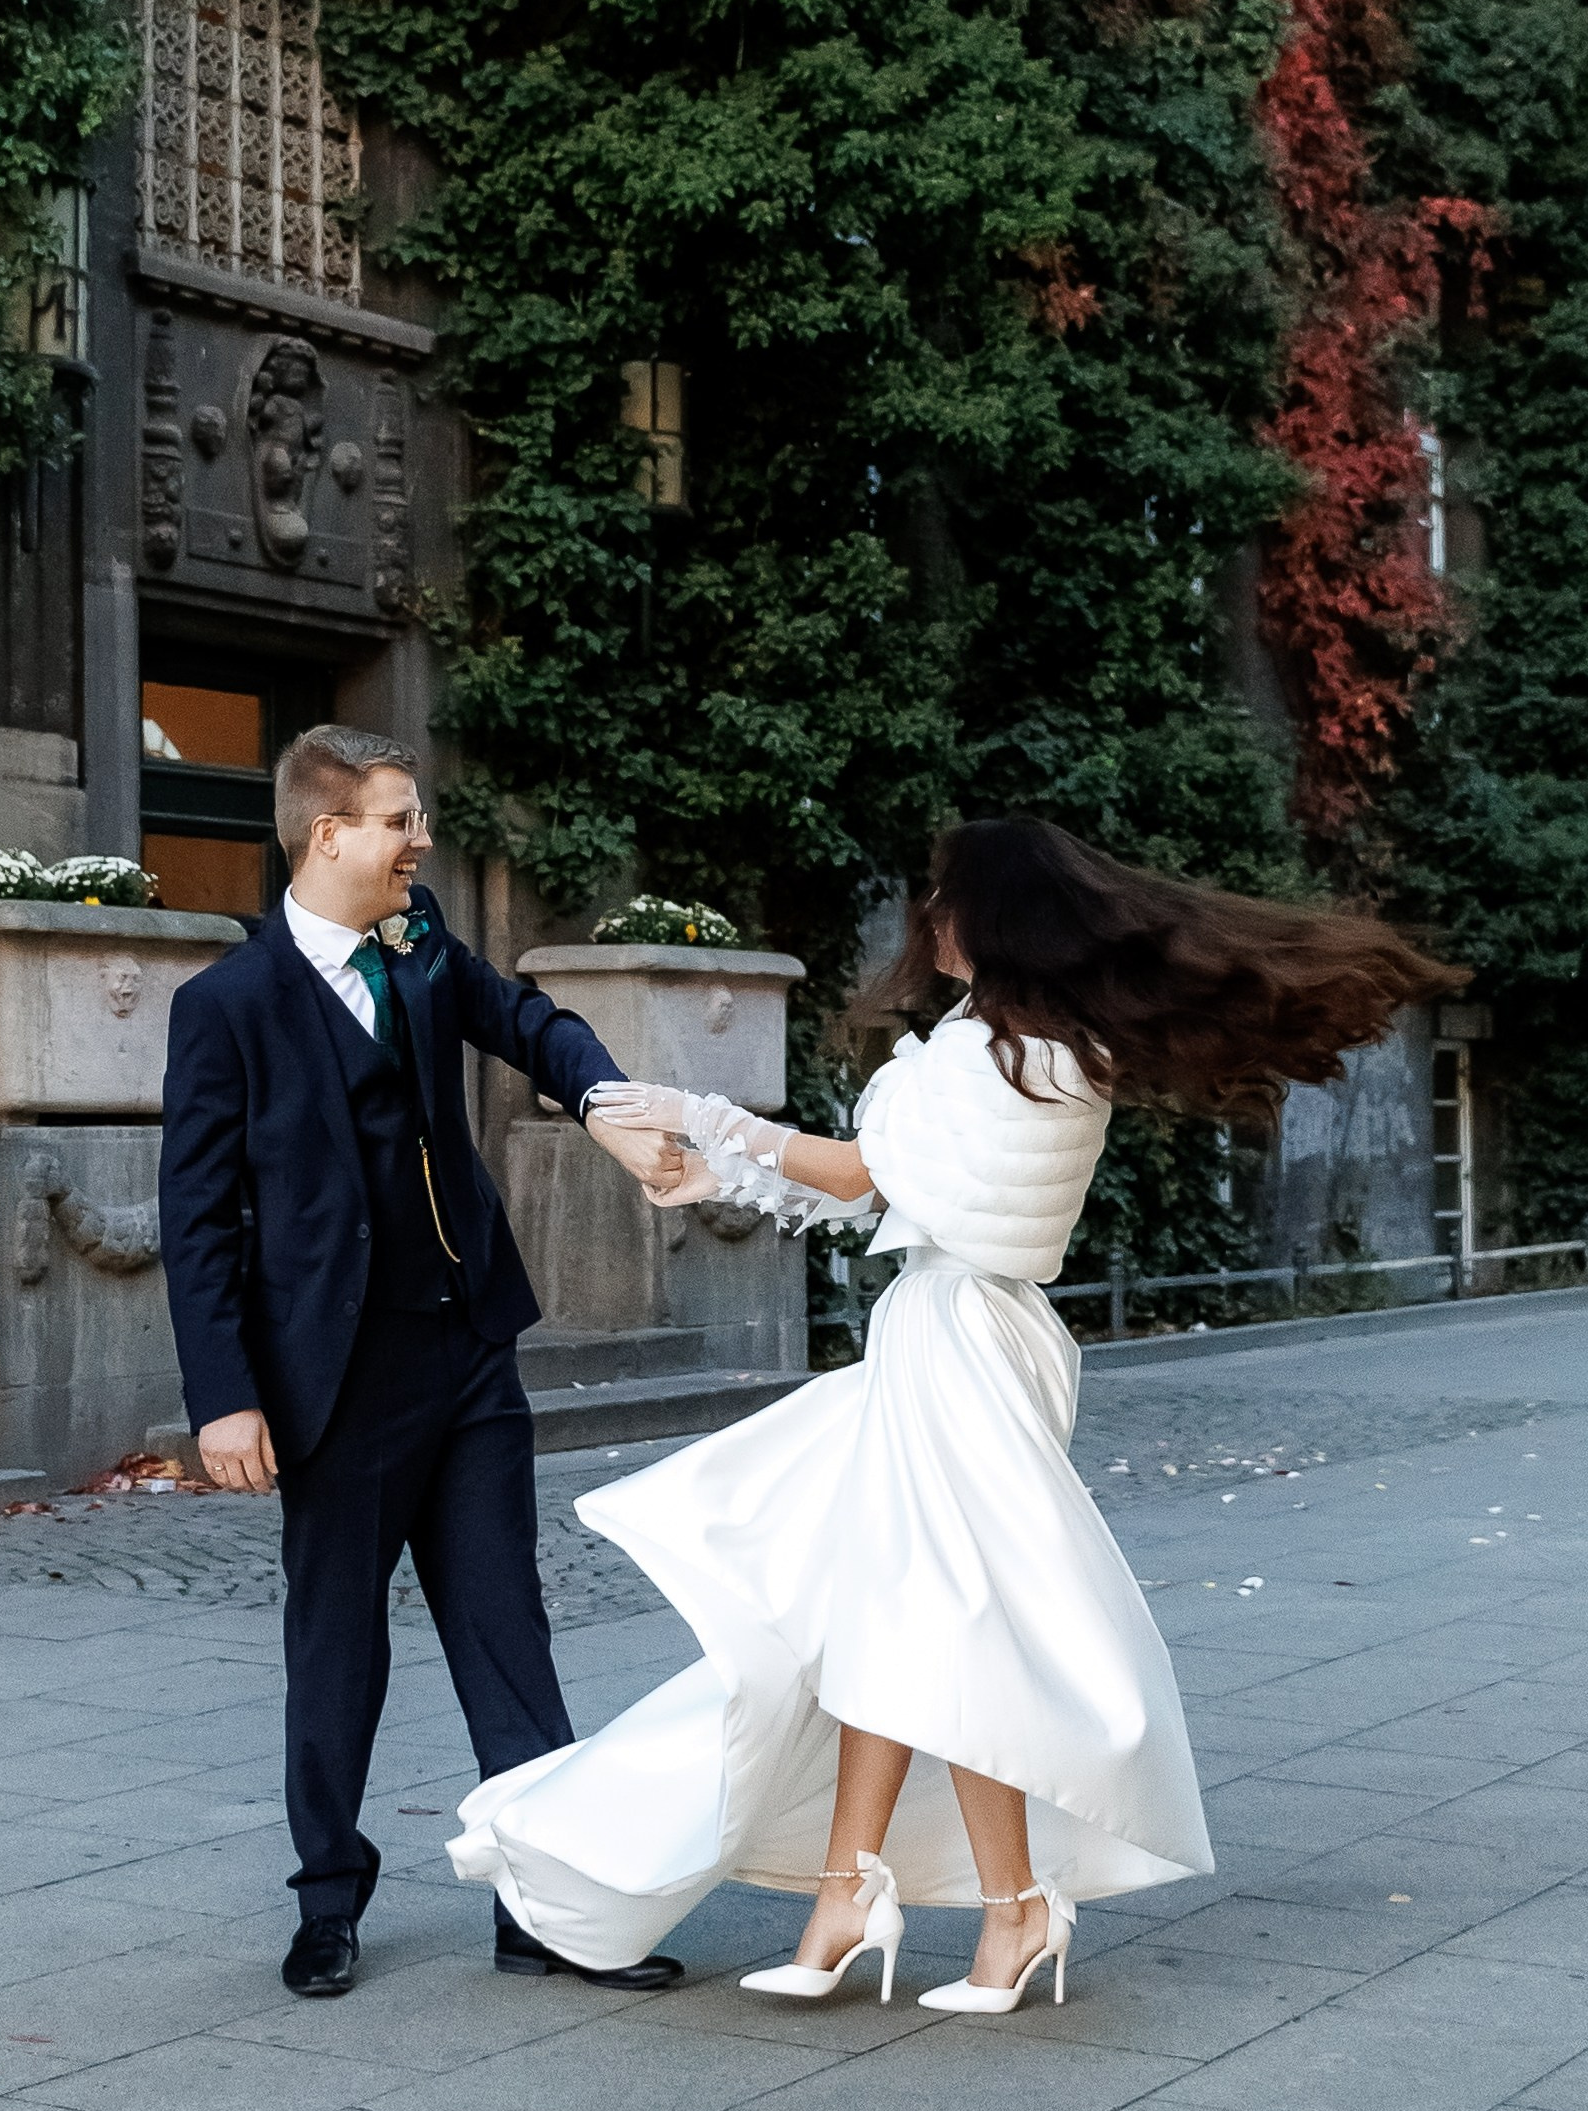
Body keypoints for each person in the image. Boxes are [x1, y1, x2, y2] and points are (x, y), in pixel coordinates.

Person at [449, 816, 1459, 2012]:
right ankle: (861, 1894)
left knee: (951, 1631)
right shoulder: (1015, 1045)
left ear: (993, 917)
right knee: (884, 1618)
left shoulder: (1016, 1056)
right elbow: (893, 1193)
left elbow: (874, 1176)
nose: (927, 919)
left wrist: (707, 1116)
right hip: (950, 1331)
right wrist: (717, 1164)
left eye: (942, 900)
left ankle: (1002, 1906)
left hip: (964, 1341)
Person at [157, 723, 689, 2001]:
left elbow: (526, 1019)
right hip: (330, 1382)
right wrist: (224, 1393)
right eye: (399, 818)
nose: (421, 839)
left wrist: (613, 1105)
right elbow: (198, 1213)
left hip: (463, 1353)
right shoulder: (224, 1006)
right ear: (326, 832)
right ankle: (328, 1899)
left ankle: (547, 1904)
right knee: (337, 1649)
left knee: (509, 1631)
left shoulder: (417, 936)